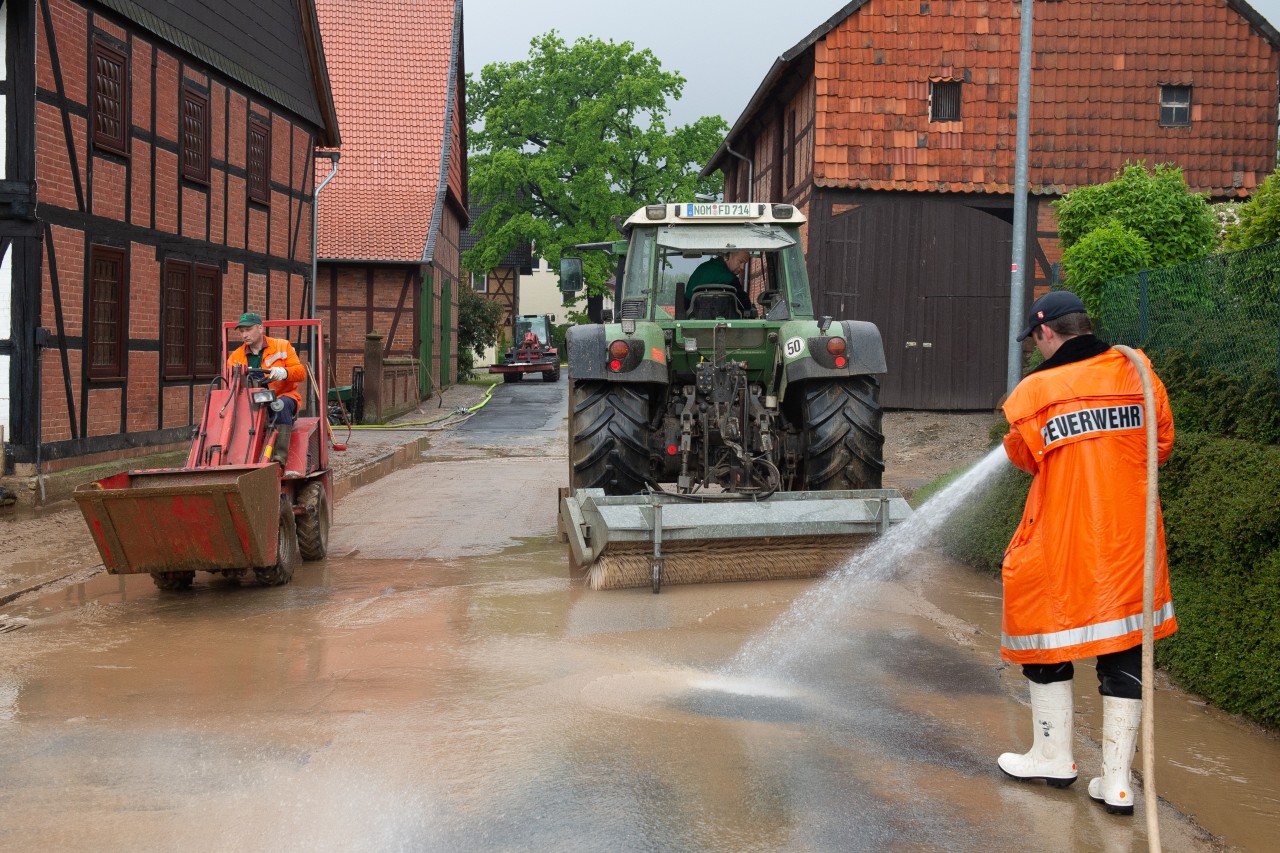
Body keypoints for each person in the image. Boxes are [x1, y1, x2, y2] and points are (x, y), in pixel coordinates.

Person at [996, 290, 1177, 816]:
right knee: (1123, 645)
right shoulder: (1137, 372)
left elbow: (1027, 458)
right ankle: (1117, 782)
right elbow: (1160, 446)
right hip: (1129, 543)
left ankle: (1053, 756)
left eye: (1035, 339)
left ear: (1046, 332)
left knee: (1041, 628)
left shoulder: (1038, 391)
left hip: (1066, 538)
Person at [227, 312, 306, 477]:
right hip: (251, 401)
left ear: (260, 328)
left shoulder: (282, 346)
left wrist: (284, 372)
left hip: (283, 395)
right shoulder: (236, 357)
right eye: (241, 331)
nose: (244, 335)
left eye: (248, 329)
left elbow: (300, 373)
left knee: (280, 406)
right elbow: (229, 386)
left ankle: (279, 458)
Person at [684, 251, 752, 315]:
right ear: (727, 256)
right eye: (740, 262)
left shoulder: (701, 269)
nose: (743, 267)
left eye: (745, 263)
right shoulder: (730, 279)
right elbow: (745, 307)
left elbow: (686, 302)